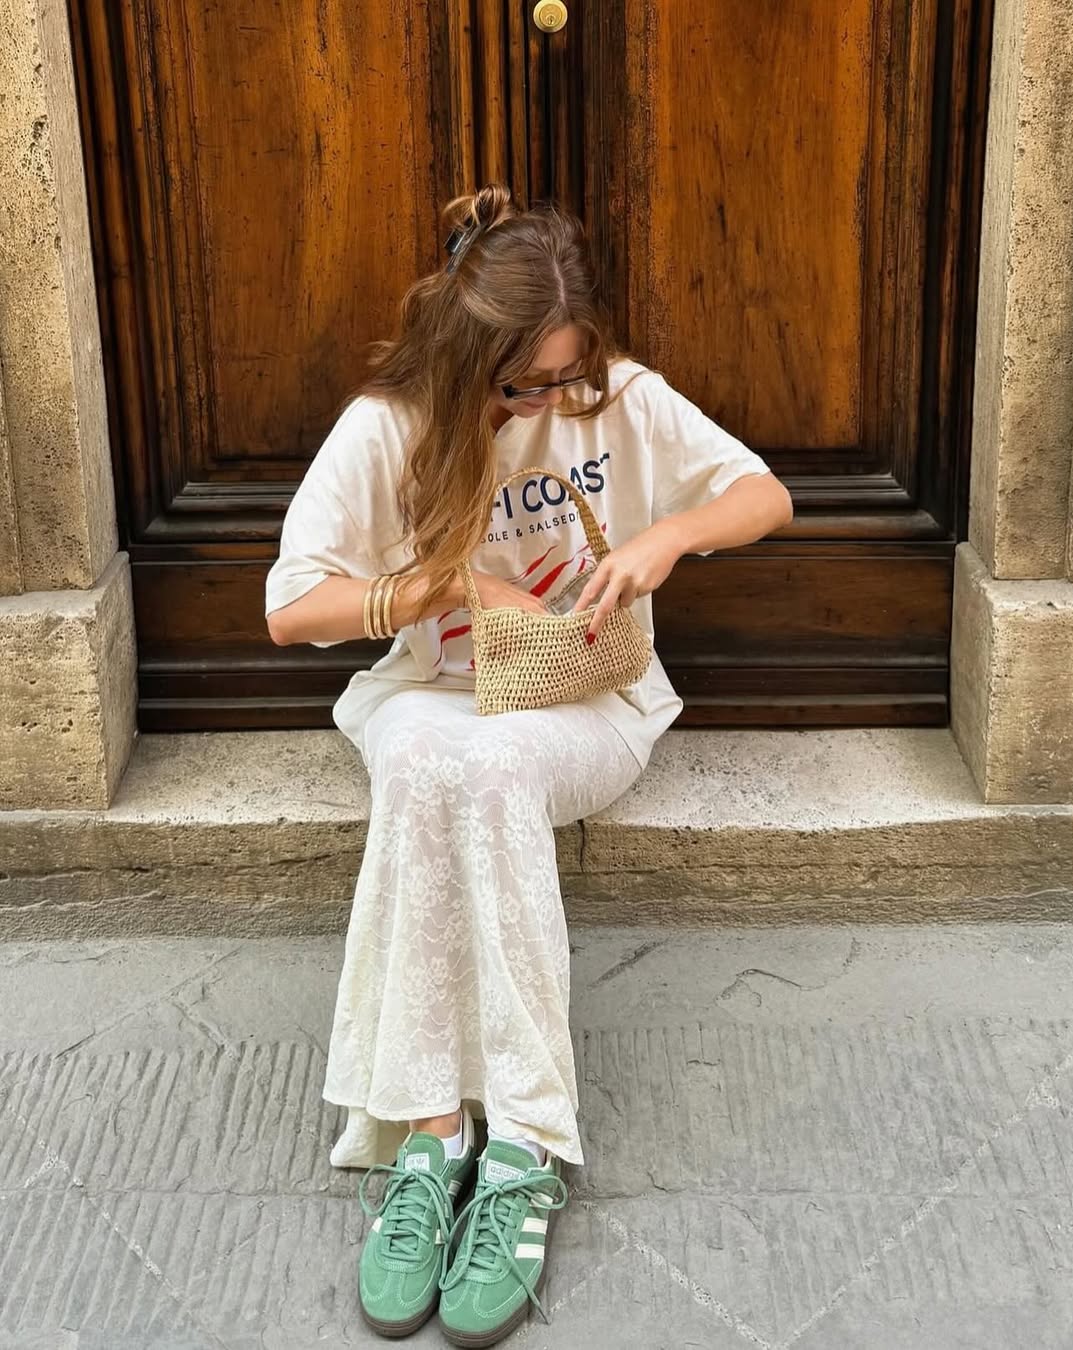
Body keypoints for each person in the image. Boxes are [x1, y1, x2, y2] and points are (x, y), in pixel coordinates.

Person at [264, 182, 792, 1347]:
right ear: (465, 358)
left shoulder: (621, 402)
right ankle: (433, 1132)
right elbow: (291, 610)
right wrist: (441, 583)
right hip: (428, 694)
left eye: (569, 376)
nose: (555, 402)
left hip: (582, 702)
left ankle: (521, 1147)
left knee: (492, 769)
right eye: (524, 385)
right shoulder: (390, 426)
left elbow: (765, 493)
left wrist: (664, 535)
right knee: (427, 767)